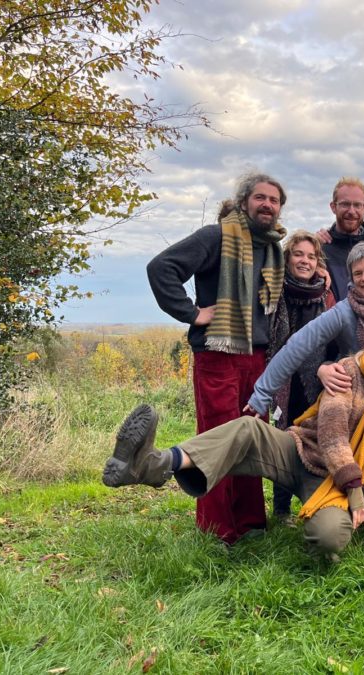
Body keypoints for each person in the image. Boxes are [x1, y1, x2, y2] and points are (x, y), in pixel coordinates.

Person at [102, 318, 364, 559]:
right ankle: (156, 464)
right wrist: (355, 485)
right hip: (300, 452)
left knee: (329, 539)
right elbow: (332, 433)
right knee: (248, 429)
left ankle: (320, 531)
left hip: (332, 483)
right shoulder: (347, 370)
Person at [146, 173, 287, 544]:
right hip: (219, 355)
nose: (268, 205)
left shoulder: (273, 248)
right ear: (243, 202)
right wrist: (193, 313)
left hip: (257, 358)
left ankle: (251, 524)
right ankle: (218, 529)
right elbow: (161, 268)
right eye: (260, 197)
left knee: (251, 439)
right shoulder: (217, 237)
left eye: (274, 200)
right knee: (216, 441)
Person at [245, 242, 364, 416]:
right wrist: (262, 393)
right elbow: (298, 345)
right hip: (350, 399)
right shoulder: (343, 312)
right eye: (358, 273)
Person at [267, 231, 336, 522]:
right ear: (287, 258)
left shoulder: (325, 294)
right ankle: (281, 509)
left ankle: (320, 501)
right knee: (283, 441)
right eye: (298, 254)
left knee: (318, 440)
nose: (305, 261)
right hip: (284, 379)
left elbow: (334, 338)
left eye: (311, 256)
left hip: (317, 379)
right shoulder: (274, 289)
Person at [320, 177, 364, 301]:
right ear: (333, 207)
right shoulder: (319, 250)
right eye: (345, 204)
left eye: (357, 205)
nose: (351, 211)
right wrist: (310, 241)